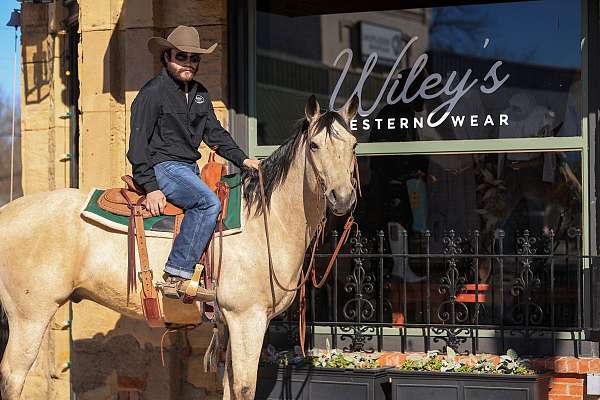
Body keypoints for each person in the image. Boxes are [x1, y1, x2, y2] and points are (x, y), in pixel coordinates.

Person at [127, 25, 260, 300]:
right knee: (207, 202)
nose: (188, 63)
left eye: (194, 58)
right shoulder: (152, 93)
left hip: (189, 169)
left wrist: (244, 159)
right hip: (165, 167)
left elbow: (215, 134)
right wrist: (150, 186)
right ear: (166, 57)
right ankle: (176, 274)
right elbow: (138, 147)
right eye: (181, 57)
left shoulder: (200, 93)